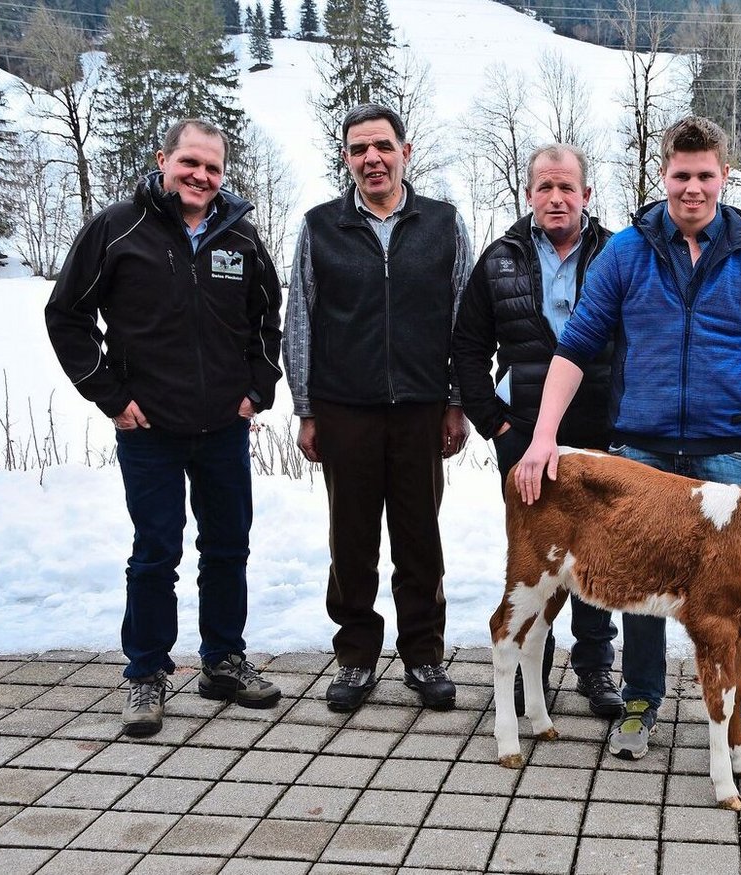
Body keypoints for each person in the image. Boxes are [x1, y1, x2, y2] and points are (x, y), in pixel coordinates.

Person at [514, 116, 741, 767]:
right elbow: (576, 345)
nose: (692, 187)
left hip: (723, 450)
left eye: (704, 176)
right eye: (680, 175)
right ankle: (640, 699)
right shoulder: (628, 252)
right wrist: (542, 436)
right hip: (639, 451)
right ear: (663, 176)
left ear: (723, 177)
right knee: (640, 579)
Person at [45, 118, 284, 737]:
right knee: (156, 551)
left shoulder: (242, 239)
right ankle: (146, 673)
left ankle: (222, 660)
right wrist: (111, 397)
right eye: (189, 163)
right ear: (163, 160)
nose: (200, 176)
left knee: (228, 546)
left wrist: (258, 389)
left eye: (212, 167)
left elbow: (267, 324)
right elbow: (66, 315)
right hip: (148, 428)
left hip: (224, 429)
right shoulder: (117, 228)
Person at [284, 103, 472, 714]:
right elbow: (300, 323)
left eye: (383, 146)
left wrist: (455, 400)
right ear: (347, 158)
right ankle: (357, 658)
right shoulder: (320, 228)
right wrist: (307, 409)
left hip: (421, 409)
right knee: (353, 541)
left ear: (404, 152)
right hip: (346, 410)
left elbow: (461, 320)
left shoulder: (443, 224)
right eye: (360, 149)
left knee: (420, 539)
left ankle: (423, 655)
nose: (373, 159)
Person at [451, 143, 622, 719]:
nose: (556, 198)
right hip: (523, 435)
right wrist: (495, 425)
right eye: (545, 188)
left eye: (566, 188)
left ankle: (596, 667)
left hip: (599, 431)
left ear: (586, 196)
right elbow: (468, 348)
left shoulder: (618, 254)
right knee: (535, 554)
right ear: (529, 195)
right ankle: (530, 671)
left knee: (599, 553)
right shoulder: (499, 259)